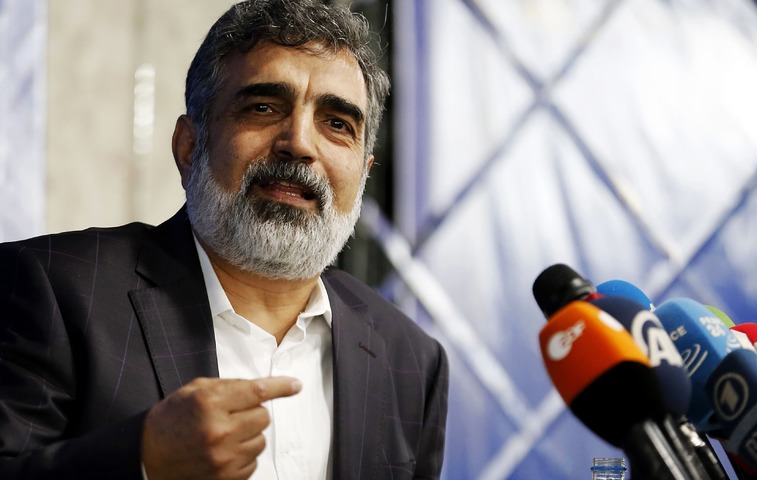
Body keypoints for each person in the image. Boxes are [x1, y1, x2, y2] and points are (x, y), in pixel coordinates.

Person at [0, 0, 449, 478]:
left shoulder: (409, 359)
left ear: (363, 173)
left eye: (337, 124)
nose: (299, 143)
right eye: (263, 107)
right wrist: (143, 458)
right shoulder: (53, 289)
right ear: (189, 147)